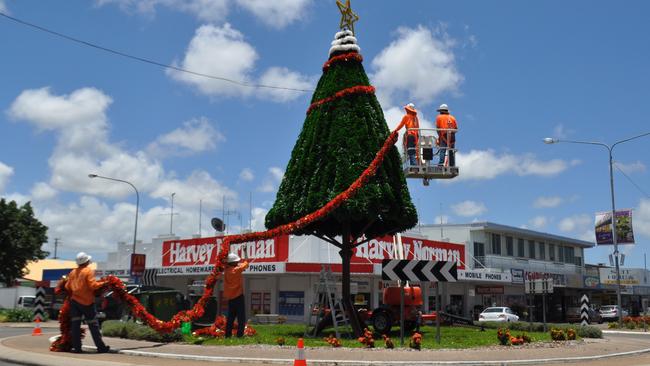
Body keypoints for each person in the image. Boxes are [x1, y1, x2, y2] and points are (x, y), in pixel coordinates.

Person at [65, 252, 110, 354]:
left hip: (74, 302)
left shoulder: (72, 272)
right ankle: (101, 347)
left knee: (75, 325)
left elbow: (67, 286)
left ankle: (77, 348)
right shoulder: (88, 271)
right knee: (93, 325)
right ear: (86, 262)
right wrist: (104, 282)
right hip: (87, 303)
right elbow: (93, 285)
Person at [223, 252, 249, 338]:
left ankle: (227, 335)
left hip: (230, 298)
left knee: (230, 318)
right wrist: (245, 252)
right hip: (238, 297)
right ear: (233, 263)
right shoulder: (237, 270)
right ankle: (239, 335)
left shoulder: (226, 271)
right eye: (236, 261)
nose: (238, 262)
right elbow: (246, 263)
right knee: (241, 318)